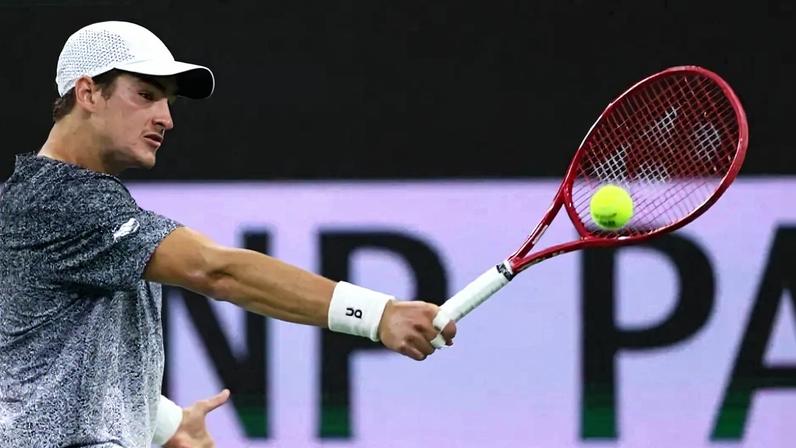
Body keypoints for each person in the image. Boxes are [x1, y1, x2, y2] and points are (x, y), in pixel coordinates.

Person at [0, 21, 456, 448]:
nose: (166, 119)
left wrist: (165, 424)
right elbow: (216, 270)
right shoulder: (62, 200)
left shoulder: (30, 200)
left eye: (168, 103)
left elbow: (43, 354)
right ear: (88, 93)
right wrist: (377, 315)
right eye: (146, 94)